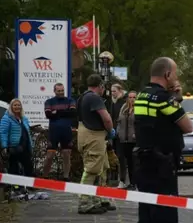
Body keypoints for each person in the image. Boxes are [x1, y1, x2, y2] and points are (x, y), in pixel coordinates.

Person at [132, 58, 193, 223]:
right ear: (167, 74)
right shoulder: (164, 99)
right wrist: (175, 98)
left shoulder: (142, 97)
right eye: (175, 73)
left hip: (144, 167)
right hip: (163, 169)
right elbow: (186, 126)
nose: (176, 77)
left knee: (145, 222)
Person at [76, 74, 116, 214]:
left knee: (102, 167)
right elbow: (106, 118)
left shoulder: (83, 97)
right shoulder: (94, 98)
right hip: (93, 136)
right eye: (103, 87)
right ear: (100, 86)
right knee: (92, 168)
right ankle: (85, 202)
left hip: (87, 134)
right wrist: (110, 130)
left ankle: (98, 198)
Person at [42, 83, 77, 181]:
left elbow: (73, 113)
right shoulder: (49, 101)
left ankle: (66, 177)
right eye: (59, 91)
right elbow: (48, 114)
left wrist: (57, 113)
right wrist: (65, 113)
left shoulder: (70, 100)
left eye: (62, 90)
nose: (61, 92)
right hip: (54, 132)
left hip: (66, 131)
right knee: (50, 156)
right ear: (54, 91)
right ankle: (45, 177)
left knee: (66, 154)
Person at [0, 99, 35, 195]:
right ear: (11, 107)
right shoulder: (6, 118)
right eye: (15, 105)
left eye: (18, 105)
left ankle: (29, 185)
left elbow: (27, 132)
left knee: (28, 166)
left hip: (25, 146)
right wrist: (4, 146)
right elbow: (3, 133)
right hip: (14, 147)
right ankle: (15, 187)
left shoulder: (24, 118)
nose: (17, 107)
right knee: (13, 168)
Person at [116, 91, 137, 189]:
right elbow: (119, 122)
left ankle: (133, 182)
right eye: (130, 97)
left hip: (133, 140)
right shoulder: (123, 107)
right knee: (121, 160)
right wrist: (118, 133)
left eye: (134, 97)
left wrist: (136, 134)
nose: (132, 99)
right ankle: (122, 180)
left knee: (132, 161)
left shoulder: (138, 109)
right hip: (122, 139)